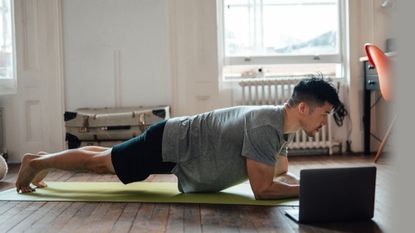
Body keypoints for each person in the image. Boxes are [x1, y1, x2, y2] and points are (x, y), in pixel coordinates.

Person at [15, 74, 347, 200]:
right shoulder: (266, 126)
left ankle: (44, 159)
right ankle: (36, 162)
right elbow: (262, 190)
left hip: (179, 142)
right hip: (173, 142)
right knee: (104, 165)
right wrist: (315, 191)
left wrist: (305, 186)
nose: (323, 122)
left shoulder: (278, 125)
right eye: (323, 114)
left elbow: (279, 172)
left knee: (107, 158)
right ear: (303, 107)